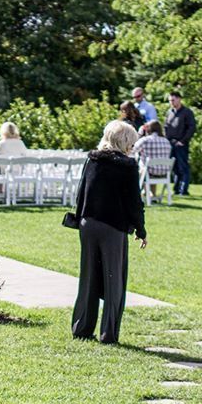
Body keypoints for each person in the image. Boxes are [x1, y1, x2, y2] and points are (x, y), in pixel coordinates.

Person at [71, 120, 147, 344]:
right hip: (113, 226)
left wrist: (78, 217)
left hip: (89, 222)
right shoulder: (127, 165)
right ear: (125, 142)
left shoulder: (92, 159)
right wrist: (141, 229)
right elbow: (134, 202)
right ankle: (109, 332)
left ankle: (82, 327)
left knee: (88, 277)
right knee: (114, 280)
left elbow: (82, 191)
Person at [164, 91, 196, 196]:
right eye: (170, 101)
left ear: (179, 99)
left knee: (183, 167)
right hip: (170, 143)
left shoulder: (187, 112)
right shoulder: (169, 112)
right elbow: (166, 127)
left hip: (181, 144)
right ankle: (176, 189)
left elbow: (191, 128)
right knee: (174, 168)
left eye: (173, 100)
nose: (171, 102)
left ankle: (184, 190)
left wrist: (183, 141)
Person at [132, 120, 171, 197]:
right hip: (163, 172)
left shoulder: (145, 140)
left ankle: (142, 193)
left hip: (148, 172)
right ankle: (151, 194)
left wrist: (140, 134)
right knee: (149, 168)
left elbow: (132, 150)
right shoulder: (166, 141)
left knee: (140, 169)